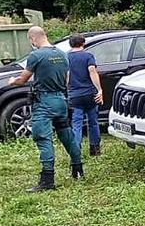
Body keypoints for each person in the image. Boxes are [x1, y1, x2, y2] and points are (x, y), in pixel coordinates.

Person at [8, 26, 83, 191]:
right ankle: (78, 169)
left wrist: (13, 81)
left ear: (32, 39)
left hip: (44, 102)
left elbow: (23, 79)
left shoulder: (36, 55)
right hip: (61, 100)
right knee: (67, 135)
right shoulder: (62, 54)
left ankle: (47, 180)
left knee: (43, 139)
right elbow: (67, 79)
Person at [66, 34, 104, 157]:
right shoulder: (88, 56)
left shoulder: (67, 58)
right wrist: (99, 89)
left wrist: (67, 89)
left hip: (75, 95)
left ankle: (76, 150)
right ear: (83, 43)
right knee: (93, 122)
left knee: (76, 123)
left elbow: (66, 76)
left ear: (70, 44)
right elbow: (92, 71)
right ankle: (95, 149)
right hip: (89, 94)